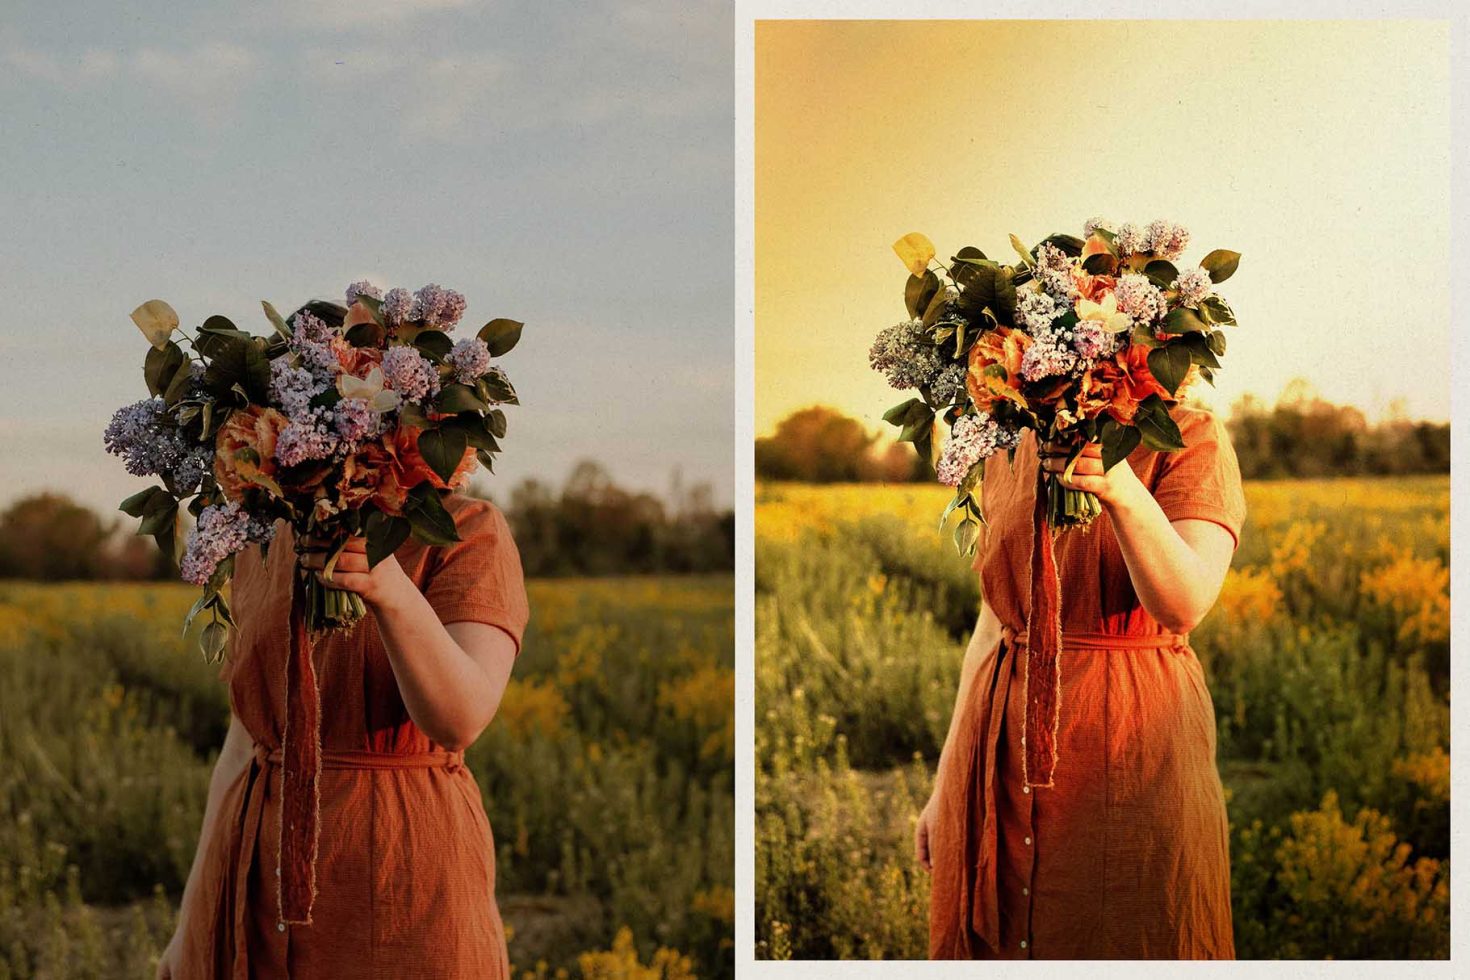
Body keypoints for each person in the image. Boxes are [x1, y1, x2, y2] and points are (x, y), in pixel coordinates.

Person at [915, 405, 1246, 959]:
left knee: (1128, 921)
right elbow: (995, 619)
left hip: (1128, 737)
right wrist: (948, 781)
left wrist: (1117, 484)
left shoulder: (1189, 434)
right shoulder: (1012, 441)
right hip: (1001, 743)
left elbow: (1184, 605)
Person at [157, 493, 530, 978]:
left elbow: (460, 719)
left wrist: (388, 586)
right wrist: (193, 921)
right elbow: (246, 740)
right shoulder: (266, 533)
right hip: (259, 881)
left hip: (399, 875)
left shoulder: (464, 526)